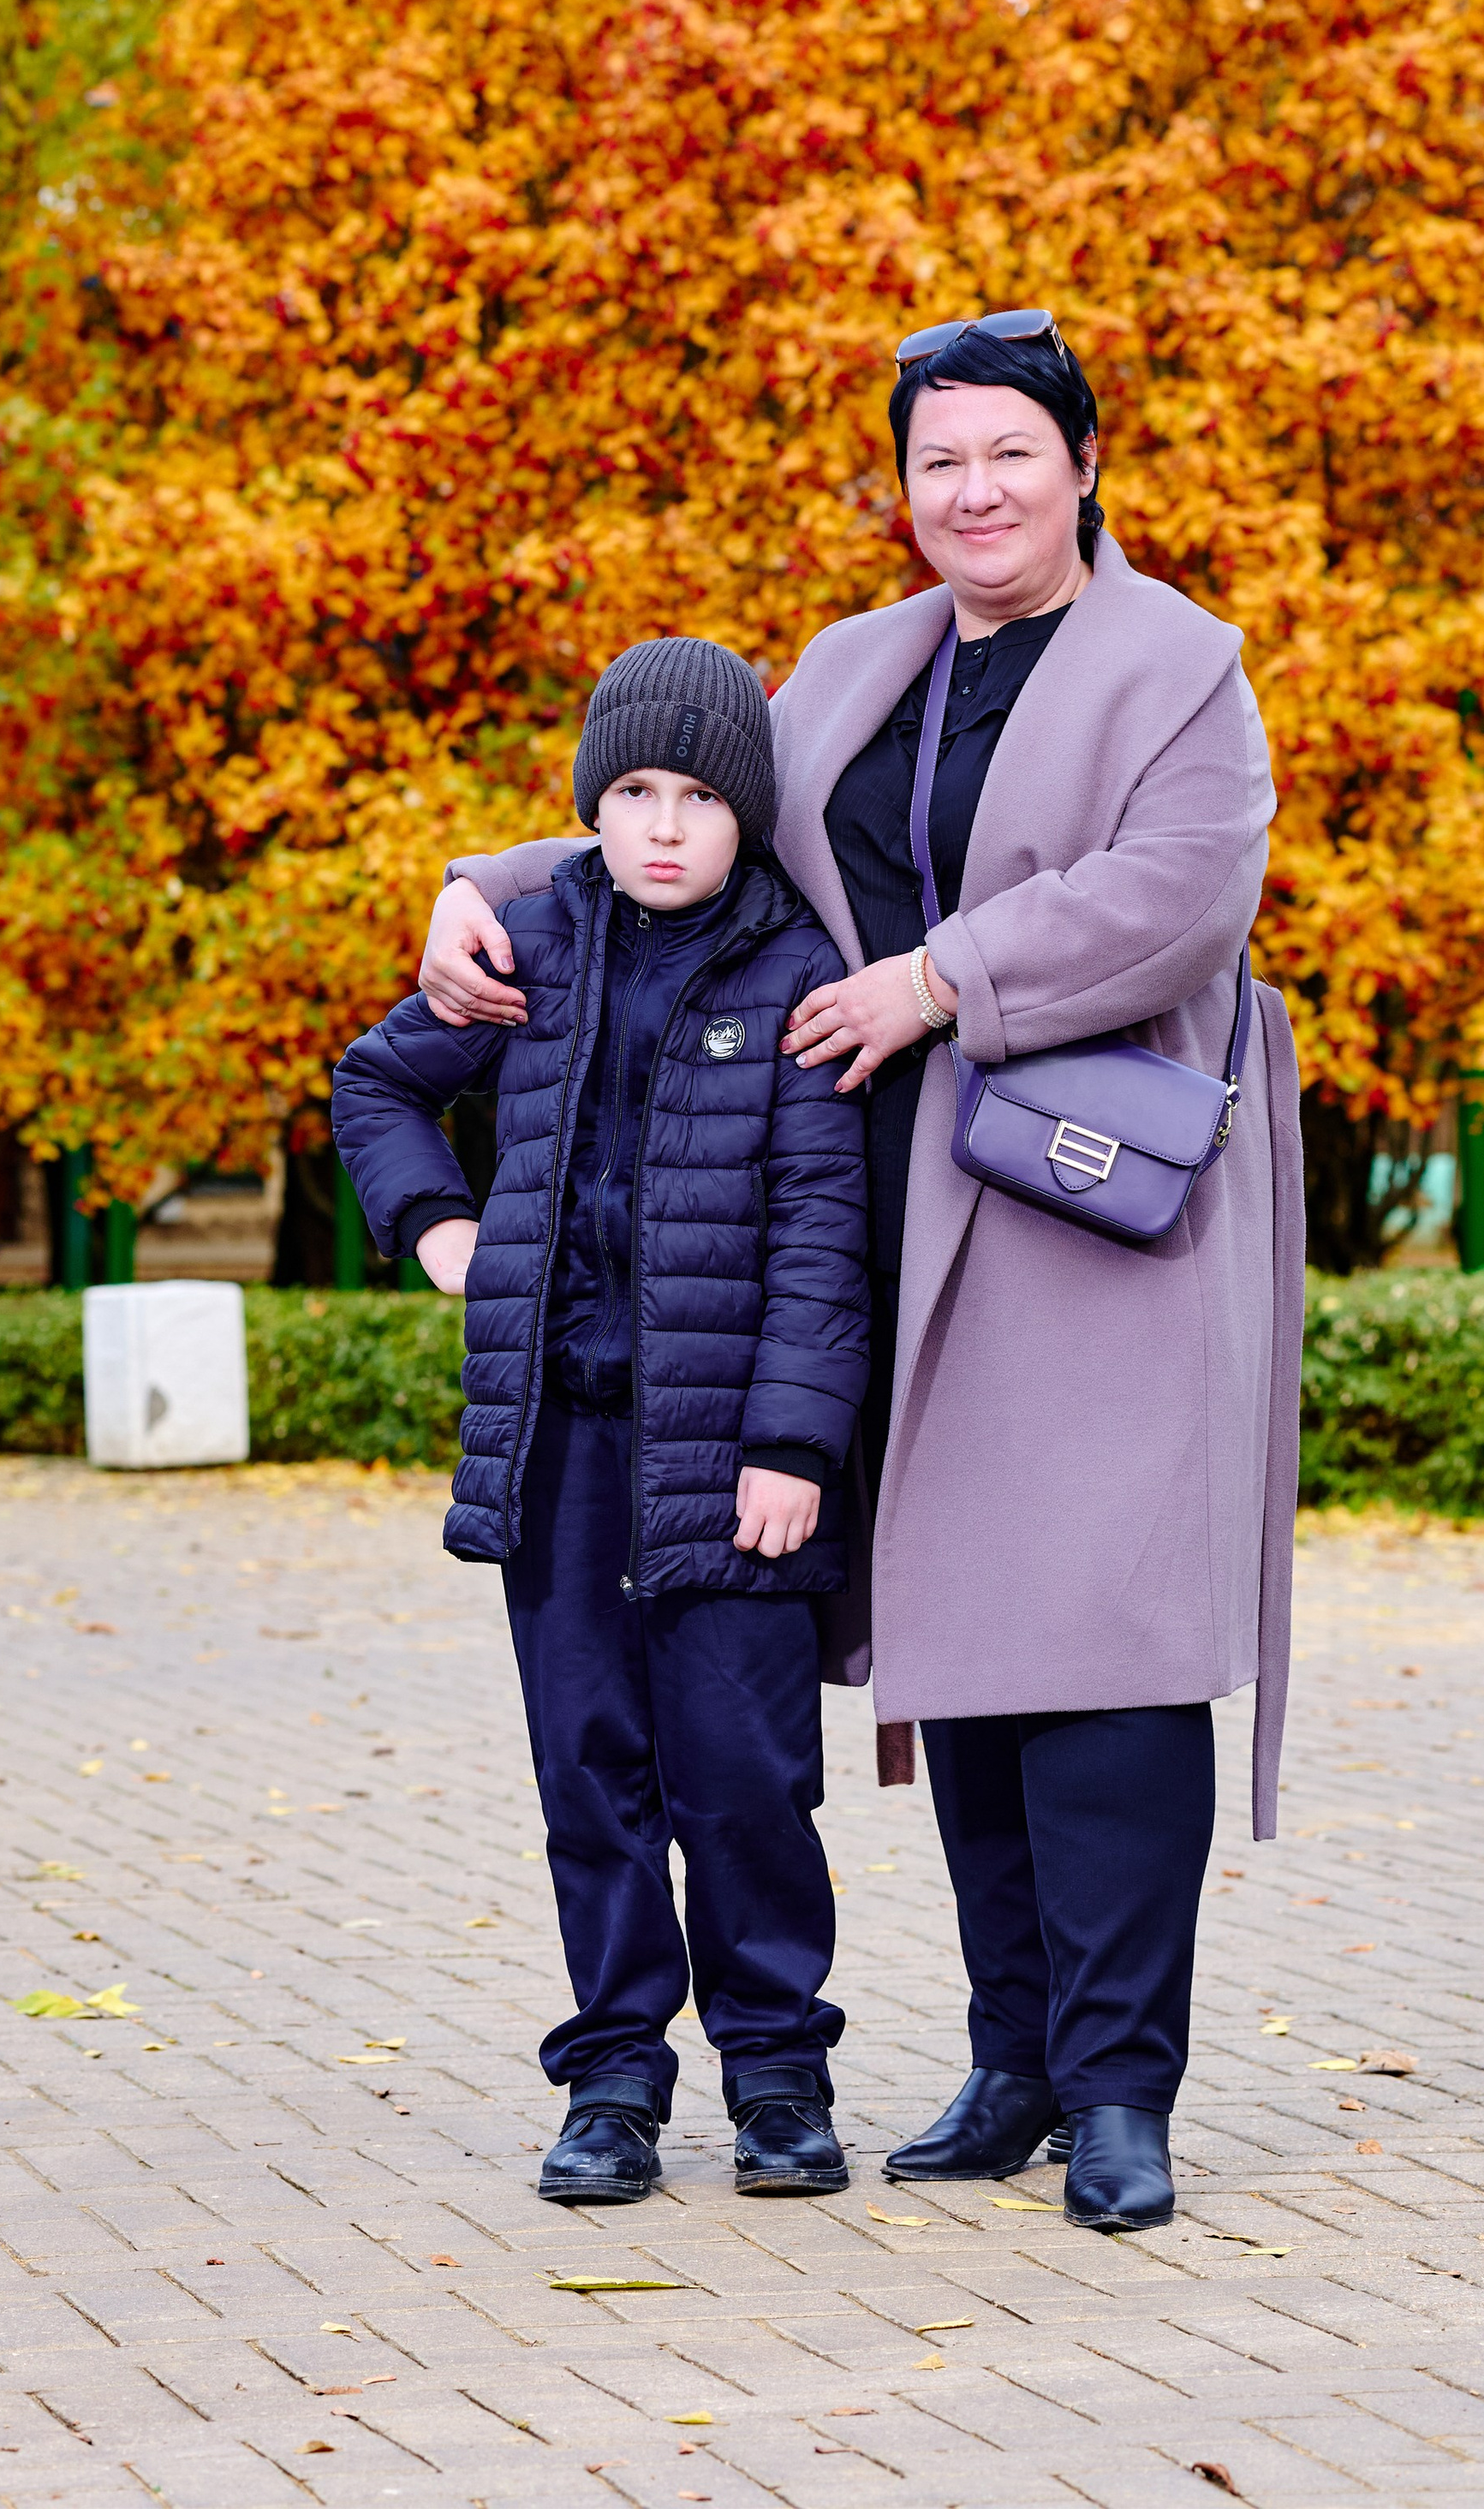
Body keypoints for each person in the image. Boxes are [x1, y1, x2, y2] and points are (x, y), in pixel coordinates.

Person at [415, 313, 1306, 2235]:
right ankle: (1014, 2057)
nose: (971, 492)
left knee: (1112, 1653)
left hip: (1095, 1219)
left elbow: (1177, 898)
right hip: (903, 1220)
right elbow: (681, 829)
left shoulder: (1178, 669)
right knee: (970, 1646)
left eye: (1007, 453)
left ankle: (1124, 2085)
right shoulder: (850, 669)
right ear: (899, 491)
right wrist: (472, 884)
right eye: (935, 463)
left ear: (1080, 464)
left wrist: (931, 980)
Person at [329, 637, 870, 2208]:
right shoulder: (536, 948)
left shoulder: (793, 977)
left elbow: (822, 1237)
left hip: (727, 1461)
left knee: (747, 1775)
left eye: (699, 798)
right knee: (592, 1768)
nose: (662, 826)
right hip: (560, 1447)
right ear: (591, 806)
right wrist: (441, 1227)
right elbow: (376, 1086)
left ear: (743, 819)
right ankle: (615, 2079)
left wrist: (793, 1444)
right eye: (632, 791)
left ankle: (778, 2071)